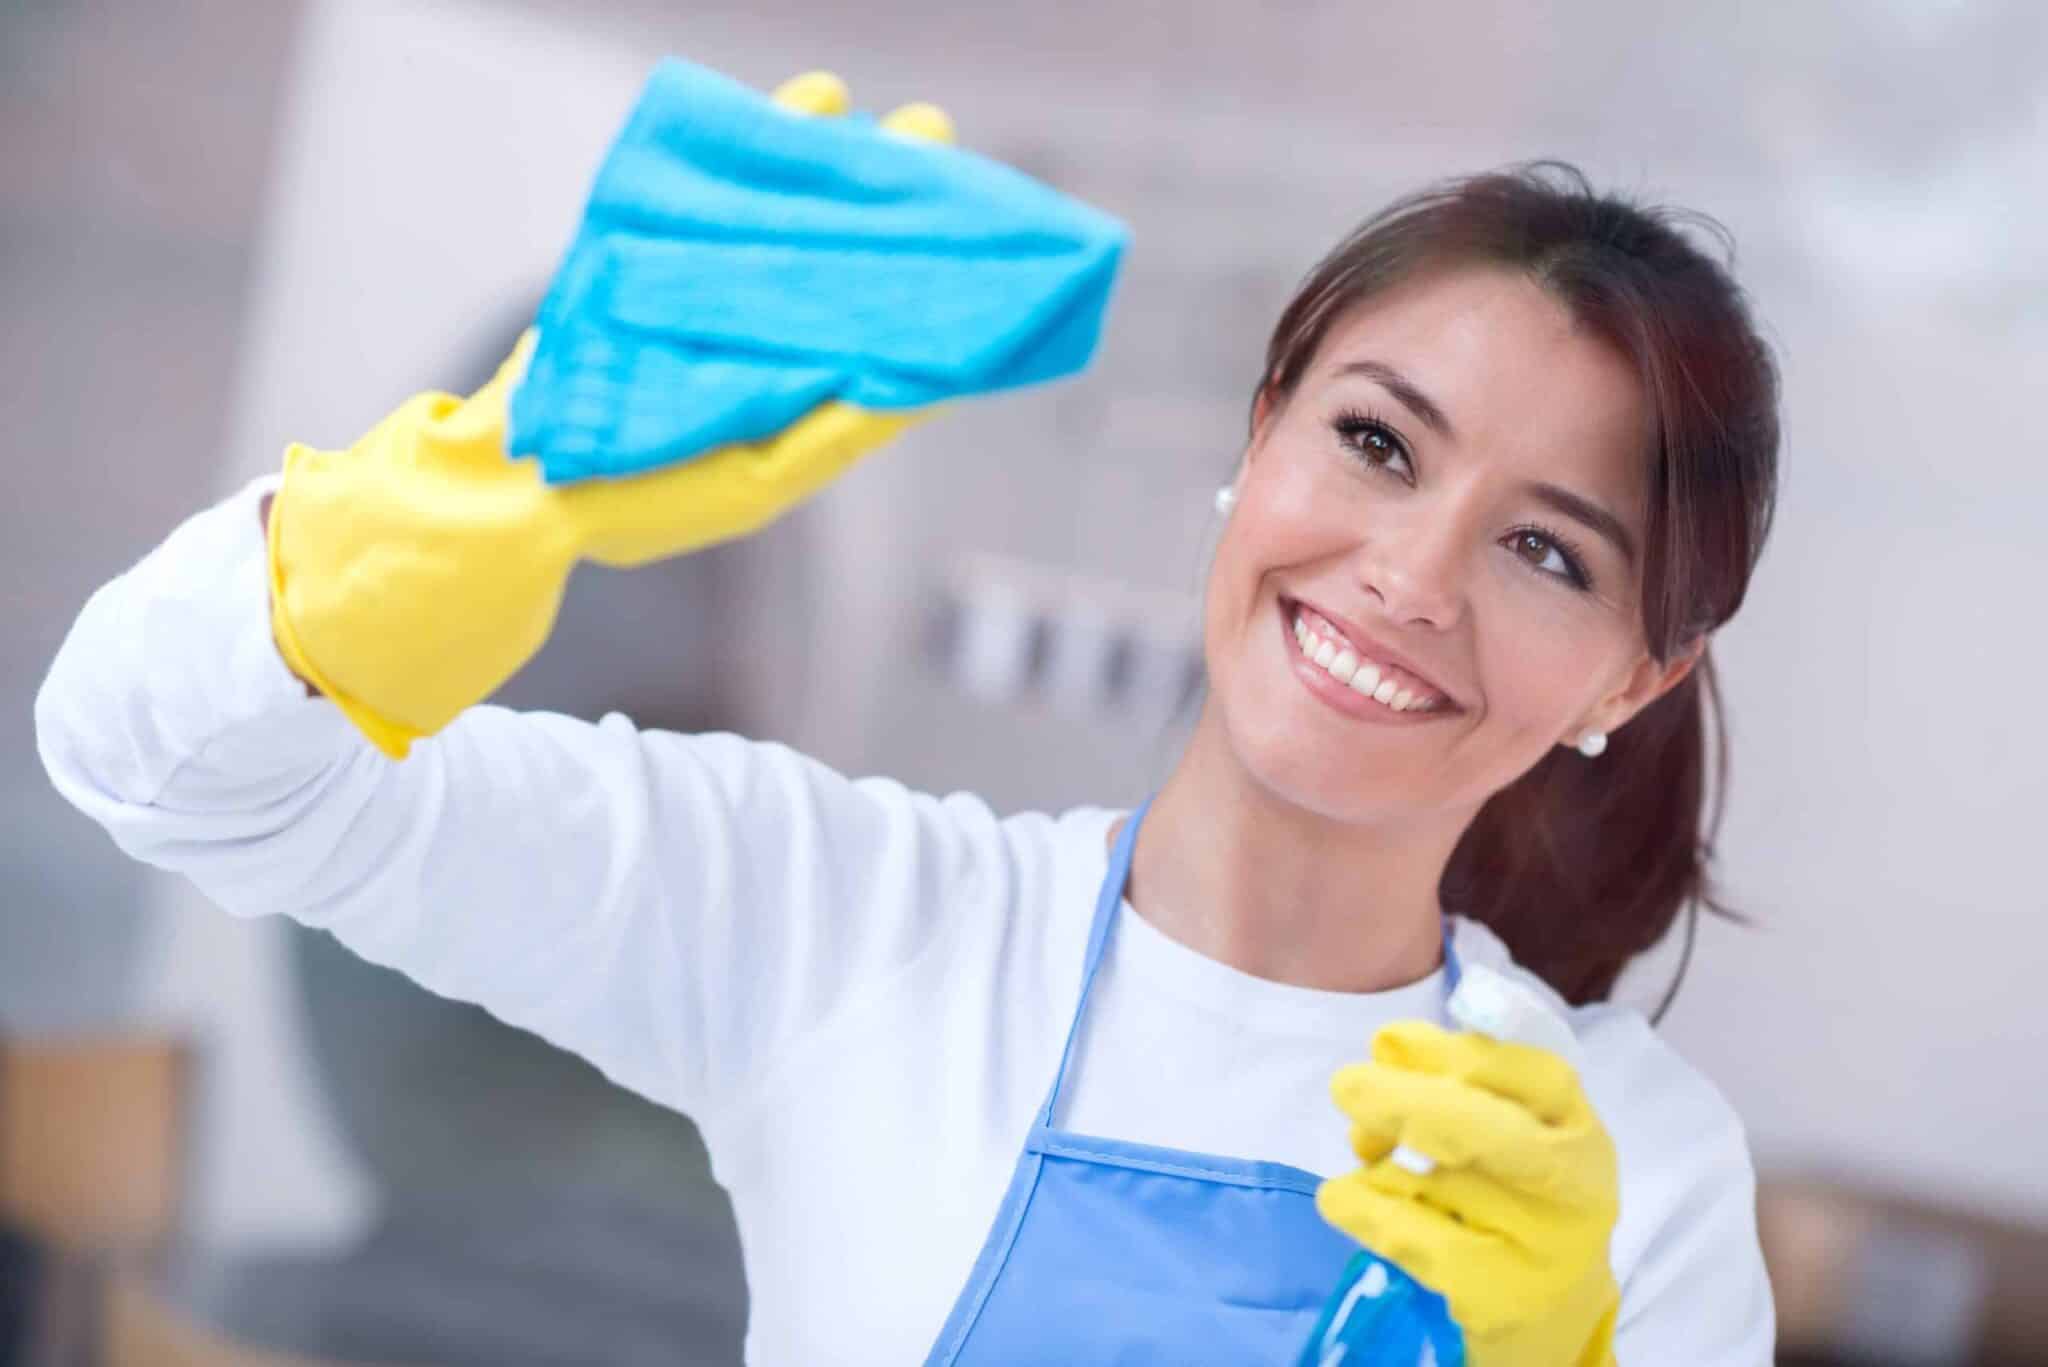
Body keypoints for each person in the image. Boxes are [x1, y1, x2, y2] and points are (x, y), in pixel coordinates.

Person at [37, 154, 1779, 1365]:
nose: (1411, 573)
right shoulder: (853, 921)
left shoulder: (1626, 1167)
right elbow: (162, 762)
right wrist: (467, 488)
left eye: (1548, 552)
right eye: (1378, 441)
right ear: (1257, 444)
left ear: (1640, 669)